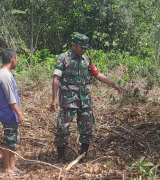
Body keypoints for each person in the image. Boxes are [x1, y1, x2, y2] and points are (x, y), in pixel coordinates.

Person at [50, 33, 123, 163]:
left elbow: (97, 74)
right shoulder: (63, 58)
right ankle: (60, 157)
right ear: (74, 45)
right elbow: (56, 79)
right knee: (62, 128)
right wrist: (54, 99)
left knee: (87, 128)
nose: (83, 50)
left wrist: (113, 84)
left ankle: (83, 156)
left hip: (84, 100)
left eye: (85, 48)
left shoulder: (86, 60)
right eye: (81, 47)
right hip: (68, 101)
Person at [0, 49, 25, 174]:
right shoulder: (4, 75)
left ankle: (13, 165)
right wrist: (19, 113)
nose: (16, 62)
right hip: (8, 113)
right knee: (8, 141)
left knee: (13, 140)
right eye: (16, 59)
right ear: (12, 59)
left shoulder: (7, 74)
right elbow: (10, 98)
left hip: (11, 113)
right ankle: (7, 167)